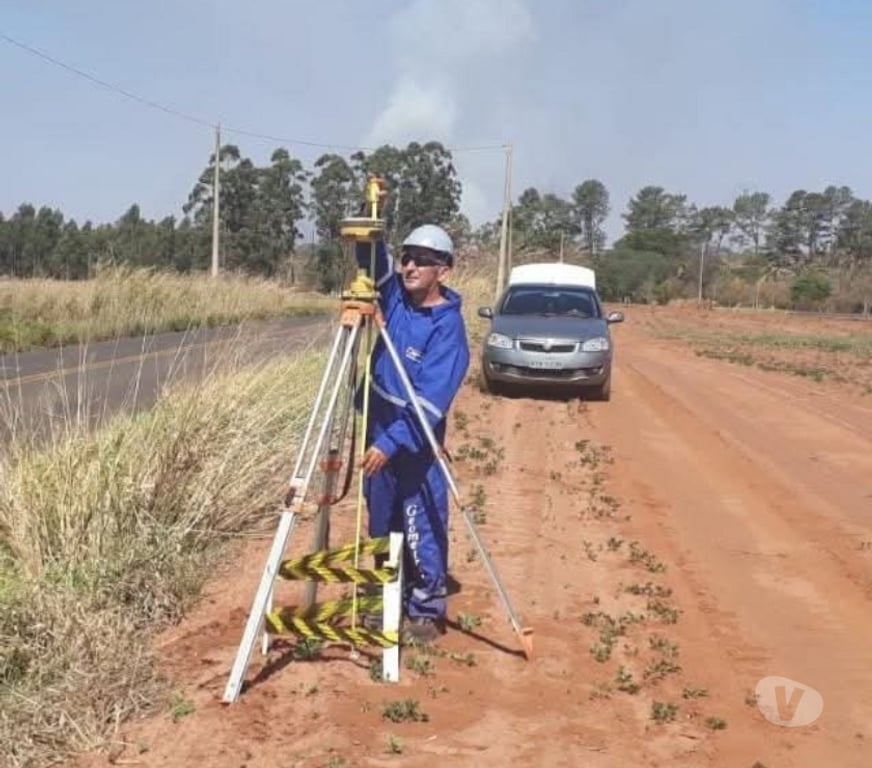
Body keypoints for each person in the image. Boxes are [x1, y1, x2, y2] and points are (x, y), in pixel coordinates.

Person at [355, 221, 470, 643]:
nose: (410, 266)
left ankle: (424, 606)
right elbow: (373, 261)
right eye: (407, 257)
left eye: (423, 261)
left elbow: (429, 402)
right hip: (378, 422)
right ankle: (386, 595)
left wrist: (391, 442)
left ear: (444, 269)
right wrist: (370, 221)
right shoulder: (395, 299)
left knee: (420, 518)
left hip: (416, 438)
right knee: (381, 518)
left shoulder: (448, 330)